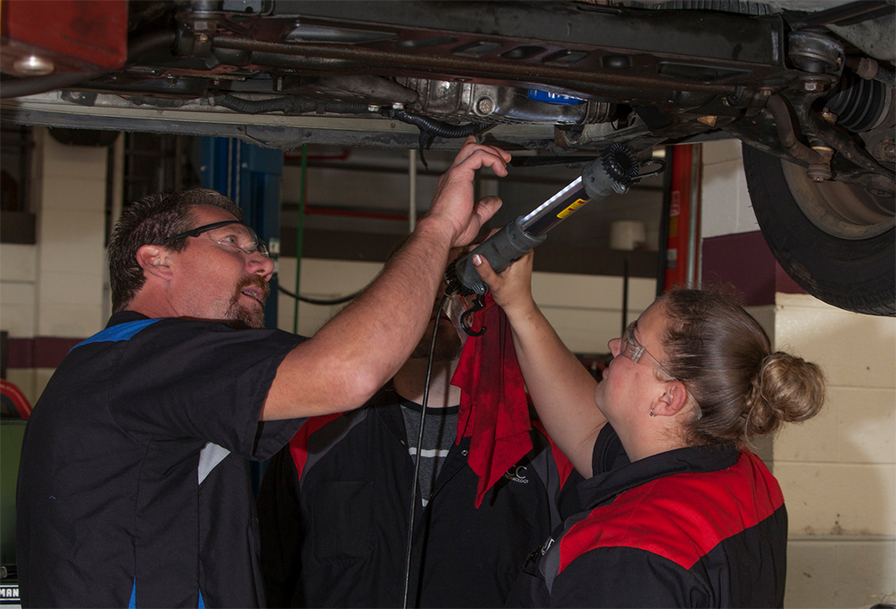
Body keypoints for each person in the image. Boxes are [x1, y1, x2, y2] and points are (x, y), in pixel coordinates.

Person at [15, 137, 509, 608]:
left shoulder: (131, 369)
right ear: (156, 259)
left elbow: (346, 355)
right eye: (233, 242)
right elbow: (348, 370)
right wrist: (435, 227)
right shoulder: (143, 357)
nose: (263, 264)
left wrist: (436, 261)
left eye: (260, 250)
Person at [471, 251, 826, 608]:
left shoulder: (628, 554)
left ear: (670, 397)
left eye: (631, 345)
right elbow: (584, 433)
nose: (614, 346)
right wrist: (519, 305)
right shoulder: (742, 474)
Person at [256, 279, 577, 608]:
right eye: (420, 287)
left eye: (456, 287)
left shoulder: (543, 446)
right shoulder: (311, 437)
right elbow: (268, 577)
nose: (438, 298)